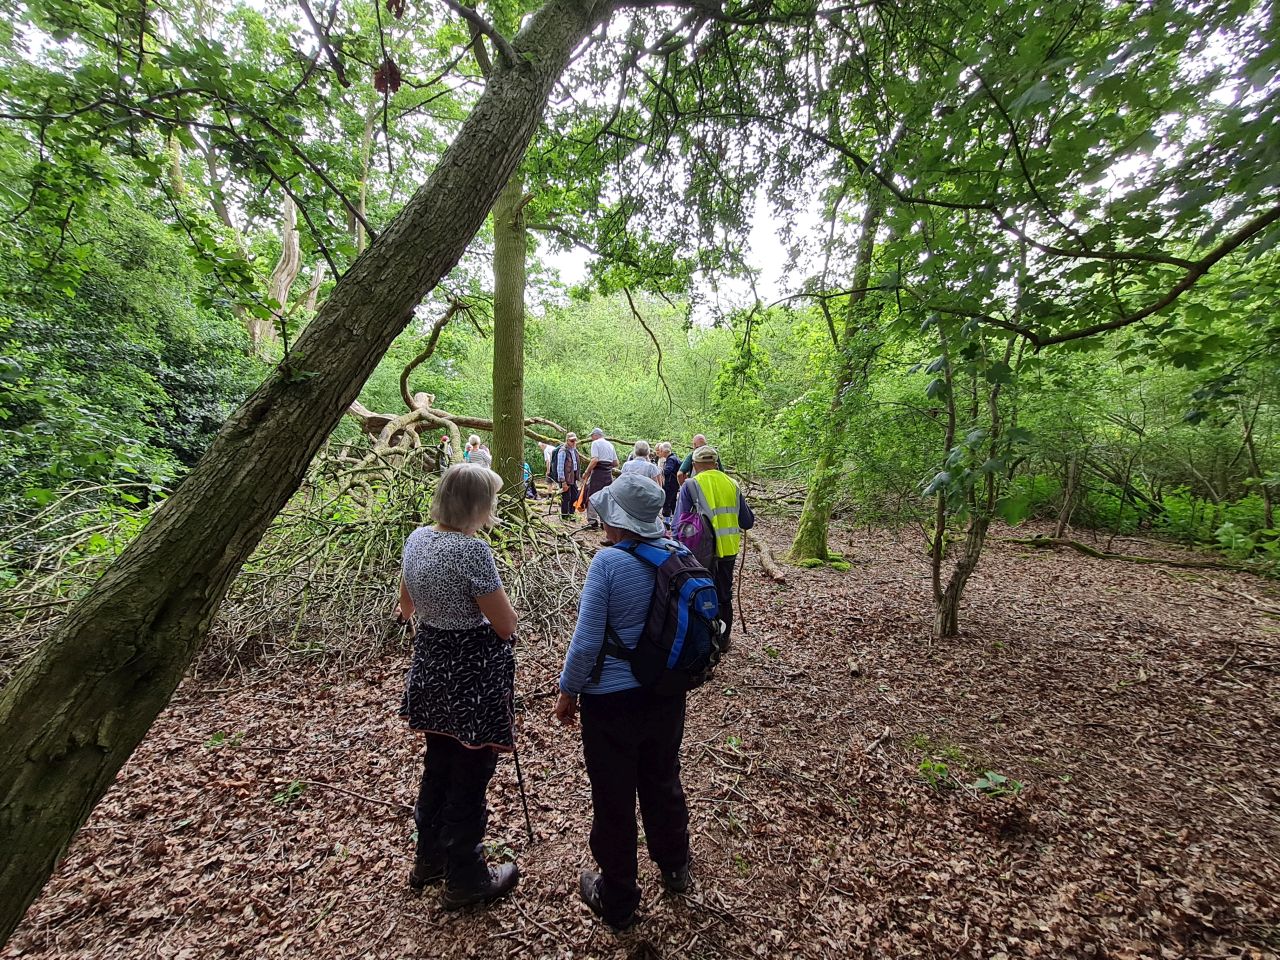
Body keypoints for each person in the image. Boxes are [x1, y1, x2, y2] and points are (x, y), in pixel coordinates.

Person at [553, 475, 693, 932]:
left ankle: (617, 898)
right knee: (662, 778)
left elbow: (587, 638)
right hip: (667, 697)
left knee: (614, 798)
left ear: (619, 520)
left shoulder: (608, 563)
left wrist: (567, 690)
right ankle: (675, 866)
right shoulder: (680, 555)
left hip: (611, 705)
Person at [396, 464, 520, 909]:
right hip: (471, 677)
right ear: (476, 505)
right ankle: (465, 875)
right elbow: (505, 626)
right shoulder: (472, 552)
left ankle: (428, 859)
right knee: (471, 771)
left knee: (439, 764)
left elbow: (406, 607)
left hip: (430, 669)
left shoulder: (417, 539)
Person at [674, 446, 753, 643]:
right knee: (724, 595)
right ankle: (723, 639)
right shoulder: (732, 483)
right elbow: (747, 521)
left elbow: (679, 524)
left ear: (694, 465)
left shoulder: (690, 485)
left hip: (700, 553)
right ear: (716, 463)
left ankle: (703, 640)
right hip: (728, 550)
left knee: (700, 594)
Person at [582, 428, 618, 531]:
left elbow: (595, 460)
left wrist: (587, 472)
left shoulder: (596, 443)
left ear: (596, 435)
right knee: (605, 497)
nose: (591, 438)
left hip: (598, 473)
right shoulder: (610, 445)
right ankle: (604, 522)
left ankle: (592, 522)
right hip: (608, 474)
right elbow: (616, 463)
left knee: (592, 496)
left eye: (592, 436)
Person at [554, 433, 581, 521]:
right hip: (565, 478)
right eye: (572, 441)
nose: (574, 442)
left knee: (575, 496)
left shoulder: (575, 451)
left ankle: (571, 514)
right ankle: (565, 516)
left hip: (573, 477)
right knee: (566, 497)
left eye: (575, 440)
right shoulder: (563, 451)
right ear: (567, 441)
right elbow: (560, 467)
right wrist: (563, 481)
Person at [658, 442, 680, 526]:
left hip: (670, 485)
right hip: (675, 484)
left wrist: (658, 470)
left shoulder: (671, 459)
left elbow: (668, 470)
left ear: (665, 451)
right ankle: (675, 520)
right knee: (673, 502)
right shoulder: (675, 458)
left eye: (661, 450)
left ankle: (667, 522)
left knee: (667, 502)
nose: (660, 452)